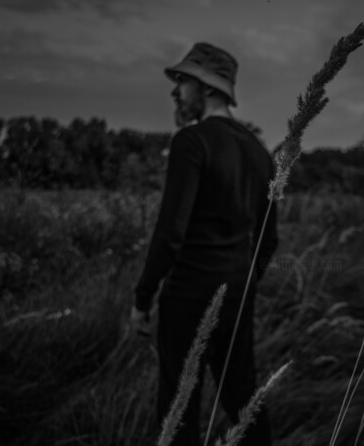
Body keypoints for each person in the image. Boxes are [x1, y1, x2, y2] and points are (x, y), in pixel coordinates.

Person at [129, 42, 278, 446]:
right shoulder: (261, 155)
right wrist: (244, 284)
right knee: (242, 398)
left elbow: (171, 234)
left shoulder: (191, 142)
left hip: (188, 297)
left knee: (178, 409)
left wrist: (143, 299)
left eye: (183, 81)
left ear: (209, 88)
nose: (175, 92)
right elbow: (270, 239)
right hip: (236, 296)